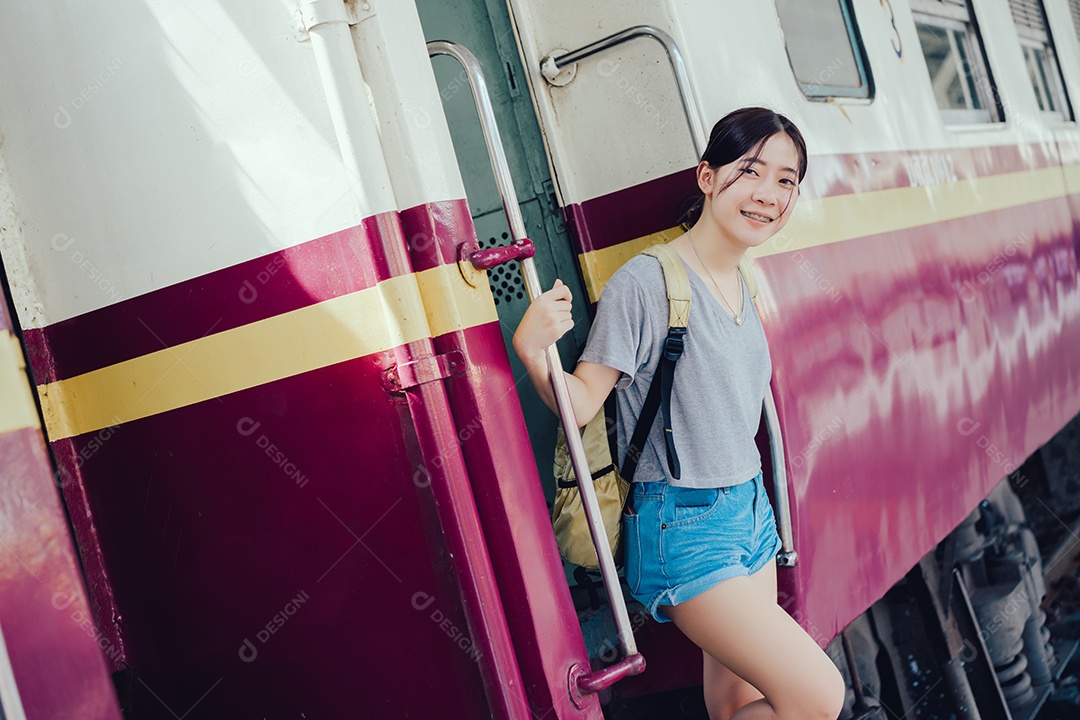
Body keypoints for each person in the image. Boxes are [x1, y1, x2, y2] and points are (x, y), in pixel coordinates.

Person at [513, 107, 845, 720]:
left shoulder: (741, 280)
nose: (769, 194)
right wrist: (534, 351)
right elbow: (583, 401)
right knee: (818, 699)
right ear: (707, 177)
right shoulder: (646, 282)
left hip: (749, 517)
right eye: (751, 171)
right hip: (682, 529)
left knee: (738, 705)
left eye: (786, 181)